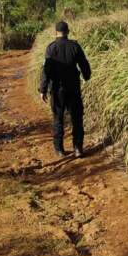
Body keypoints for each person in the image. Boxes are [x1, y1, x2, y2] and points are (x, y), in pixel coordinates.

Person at [39, 20, 91, 158]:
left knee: (58, 118)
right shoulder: (75, 46)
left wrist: (42, 89)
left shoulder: (51, 48)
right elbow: (84, 64)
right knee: (77, 118)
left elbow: (46, 70)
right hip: (73, 87)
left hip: (57, 89)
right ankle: (78, 148)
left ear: (56, 32)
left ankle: (59, 149)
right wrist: (87, 77)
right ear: (67, 32)